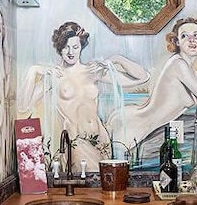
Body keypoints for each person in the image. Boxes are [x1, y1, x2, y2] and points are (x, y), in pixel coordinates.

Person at [20, 21, 150, 172]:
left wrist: (115, 60)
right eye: (66, 47)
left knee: (101, 187)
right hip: (76, 141)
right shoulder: (55, 75)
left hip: (101, 139)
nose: (70, 52)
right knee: (86, 186)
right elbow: (24, 105)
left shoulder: (93, 71)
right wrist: (33, 70)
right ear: (59, 48)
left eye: (75, 47)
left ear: (81, 47)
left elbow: (142, 77)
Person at [110, 16, 197, 148]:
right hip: (129, 128)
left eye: (196, 35)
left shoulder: (193, 75)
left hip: (141, 133)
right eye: (184, 36)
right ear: (176, 42)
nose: (191, 40)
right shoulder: (178, 65)